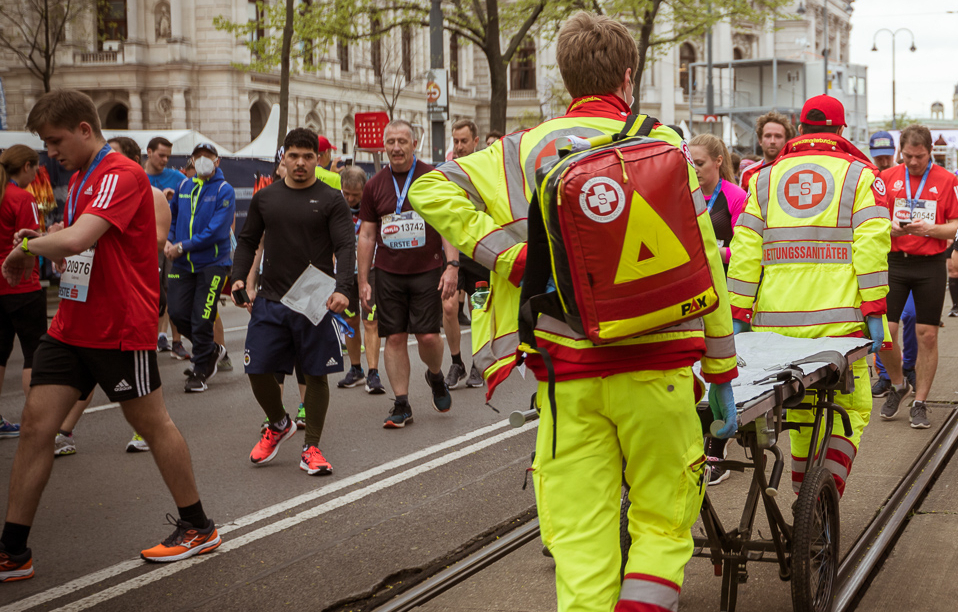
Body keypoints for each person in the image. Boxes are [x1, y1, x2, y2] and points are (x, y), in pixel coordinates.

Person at [410, 13, 739, 611]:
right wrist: (720, 373)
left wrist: (507, 255)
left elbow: (428, 189)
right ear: (628, 76)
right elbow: (707, 265)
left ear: (564, 79)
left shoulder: (521, 149)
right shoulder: (662, 148)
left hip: (568, 377)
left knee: (582, 543)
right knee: (662, 527)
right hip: (658, 367)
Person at [0, 90, 220, 581]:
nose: (48, 152)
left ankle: (197, 524)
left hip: (119, 326)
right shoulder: (80, 177)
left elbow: (79, 239)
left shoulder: (121, 172)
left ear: (83, 129)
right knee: (38, 426)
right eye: (42, 144)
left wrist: (29, 249)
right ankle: (12, 550)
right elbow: (77, 238)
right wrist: (51, 240)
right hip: (71, 324)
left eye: (54, 141)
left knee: (152, 423)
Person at [728, 94, 890, 498]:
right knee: (851, 410)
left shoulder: (764, 179)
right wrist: (875, 316)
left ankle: (807, 495)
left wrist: (737, 316)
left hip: (776, 330)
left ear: (800, 130)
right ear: (841, 131)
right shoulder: (859, 176)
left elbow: (745, 251)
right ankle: (820, 499)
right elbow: (870, 252)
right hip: (840, 327)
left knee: (800, 413)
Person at [231, 128, 355, 475]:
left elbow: (345, 247)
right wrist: (239, 276)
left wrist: (344, 288)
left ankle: (311, 447)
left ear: (318, 159)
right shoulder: (266, 199)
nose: (300, 163)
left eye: (308, 156)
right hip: (270, 299)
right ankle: (279, 422)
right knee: (257, 369)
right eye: (294, 155)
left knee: (315, 374)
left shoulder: (332, 200)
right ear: (283, 157)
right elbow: (247, 240)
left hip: (316, 300)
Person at [53, 136, 172, 457]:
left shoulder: (152, 194)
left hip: (130, 293)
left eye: (113, 157)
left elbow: (155, 238)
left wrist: (108, 226)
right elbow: (79, 234)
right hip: (87, 292)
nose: (104, 164)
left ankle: (144, 430)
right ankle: (63, 431)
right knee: (85, 373)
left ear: (132, 160)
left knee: (137, 390)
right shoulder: (86, 188)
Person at [357, 119, 457, 428]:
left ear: (414, 144)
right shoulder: (374, 185)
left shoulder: (433, 177)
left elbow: (448, 225)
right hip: (388, 273)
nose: (396, 148)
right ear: (384, 146)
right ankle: (402, 404)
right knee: (395, 338)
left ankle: (436, 376)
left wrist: (452, 266)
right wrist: (363, 280)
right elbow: (367, 236)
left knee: (428, 336)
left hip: (427, 270)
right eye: (391, 142)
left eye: (402, 141)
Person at [878, 124, 958, 429]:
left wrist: (931, 230)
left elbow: (954, 224)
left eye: (920, 157)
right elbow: (873, 218)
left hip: (930, 263)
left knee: (927, 334)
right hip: (895, 262)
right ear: (901, 151)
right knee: (885, 331)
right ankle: (898, 384)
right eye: (908, 156)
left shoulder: (946, 180)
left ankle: (921, 401)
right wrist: (890, 226)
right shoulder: (887, 178)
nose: (913, 162)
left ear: (931, 152)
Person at [688, 133, 748, 486]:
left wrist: (710, 254)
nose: (694, 170)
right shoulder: (683, 194)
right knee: (693, 373)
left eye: (699, 164)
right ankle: (696, 445)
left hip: (725, 295)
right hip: (693, 295)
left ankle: (718, 451)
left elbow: (744, 249)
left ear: (718, 162)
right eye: (690, 164)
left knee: (720, 373)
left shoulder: (736, 197)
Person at [166, 143, 234, 392]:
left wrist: (182, 246)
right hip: (183, 264)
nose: (203, 160)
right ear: (192, 160)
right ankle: (212, 350)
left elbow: (216, 231)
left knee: (202, 317)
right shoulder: (184, 185)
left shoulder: (224, 190)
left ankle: (200, 369)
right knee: (177, 313)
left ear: (217, 161)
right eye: (198, 156)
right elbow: (172, 217)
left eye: (208, 156)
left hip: (212, 264)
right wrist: (170, 240)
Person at [0, 146, 46, 444]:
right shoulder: (23, 198)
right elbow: (28, 243)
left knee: (1, 353)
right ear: (27, 167)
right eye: (35, 170)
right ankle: (36, 423)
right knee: (34, 354)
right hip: (21, 285)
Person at [867, 131, 917, 398]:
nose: (884, 160)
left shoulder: (902, 176)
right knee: (885, 324)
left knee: (911, 318)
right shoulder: (870, 177)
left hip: (909, 260)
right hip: (880, 262)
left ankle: (907, 366)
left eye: (888, 155)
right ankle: (885, 375)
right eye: (879, 156)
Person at [442, 119, 487, 390]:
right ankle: (457, 362)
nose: (459, 147)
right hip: (454, 254)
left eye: (464, 141)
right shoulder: (446, 172)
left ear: (475, 141)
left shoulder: (487, 171)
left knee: (478, 310)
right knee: (449, 307)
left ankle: (478, 364)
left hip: (482, 255)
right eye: (456, 141)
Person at [337, 165, 386, 394]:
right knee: (350, 322)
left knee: (371, 321)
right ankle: (355, 369)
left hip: (371, 270)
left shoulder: (372, 205)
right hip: (346, 273)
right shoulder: (337, 207)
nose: (350, 198)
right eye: (346, 193)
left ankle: (373, 373)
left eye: (355, 195)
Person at [144, 136, 188, 357]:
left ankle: (176, 341)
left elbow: (188, 206)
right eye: (161, 155)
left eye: (168, 156)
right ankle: (150, 340)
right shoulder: (137, 178)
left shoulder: (177, 178)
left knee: (172, 291)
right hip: (147, 245)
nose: (165, 160)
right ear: (149, 152)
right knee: (152, 293)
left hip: (170, 243)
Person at [739, 111, 795, 189]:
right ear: (760, 140)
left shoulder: (794, 170)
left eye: (778, 136)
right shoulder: (748, 173)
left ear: (786, 141)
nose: (772, 141)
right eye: (768, 136)